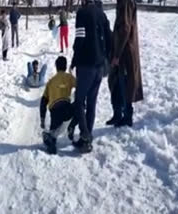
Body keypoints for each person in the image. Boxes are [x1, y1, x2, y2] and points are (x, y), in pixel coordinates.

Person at [68, 0, 110, 152]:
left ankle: (85, 135)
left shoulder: (82, 13)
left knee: (79, 101)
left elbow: (80, 39)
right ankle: (87, 137)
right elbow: (109, 36)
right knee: (92, 102)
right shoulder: (101, 13)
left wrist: (74, 60)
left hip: (86, 65)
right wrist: (108, 59)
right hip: (99, 65)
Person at [107, 0, 143, 127]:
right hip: (120, 50)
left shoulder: (126, 2)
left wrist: (117, 55)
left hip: (125, 52)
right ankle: (117, 114)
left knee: (125, 84)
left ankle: (127, 116)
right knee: (115, 82)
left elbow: (125, 28)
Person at [40, 56, 76, 154]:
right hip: (67, 111)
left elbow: (43, 101)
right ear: (65, 66)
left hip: (55, 112)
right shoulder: (69, 77)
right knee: (78, 106)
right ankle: (71, 126)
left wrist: (42, 119)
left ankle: (50, 139)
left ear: (56, 67)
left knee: (53, 132)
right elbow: (80, 86)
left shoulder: (50, 82)